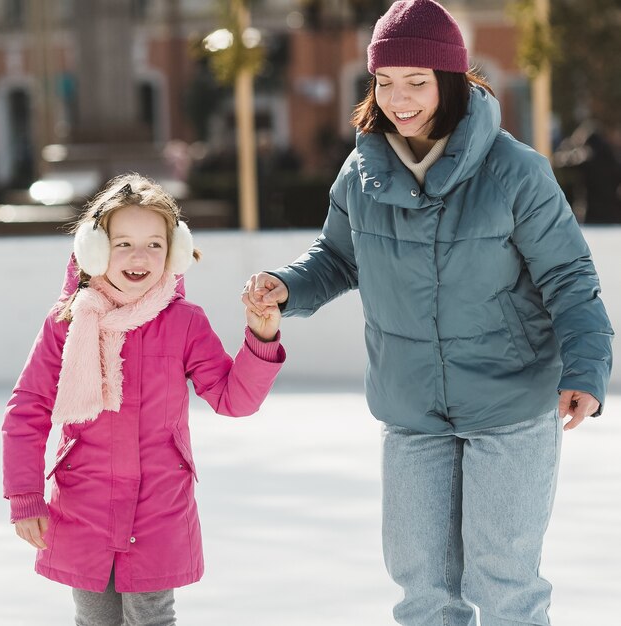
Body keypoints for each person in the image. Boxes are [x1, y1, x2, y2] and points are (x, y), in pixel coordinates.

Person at [243, 1, 614, 624]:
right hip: (412, 408)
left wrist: (585, 369)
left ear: (453, 82)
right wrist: (286, 286)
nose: (399, 98)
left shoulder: (515, 172)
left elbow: (569, 277)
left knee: (504, 586)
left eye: (416, 82)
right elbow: (336, 259)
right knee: (422, 593)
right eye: (385, 82)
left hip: (509, 404)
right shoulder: (363, 174)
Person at [2, 173, 284, 625]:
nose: (139, 257)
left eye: (155, 244)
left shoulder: (185, 322)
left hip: (159, 505)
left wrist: (261, 337)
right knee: (94, 618)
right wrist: (25, 497)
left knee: (151, 617)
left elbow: (234, 399)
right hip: (82, 502)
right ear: (94, 249)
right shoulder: (68, 322)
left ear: (174, 251)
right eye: (123, 243)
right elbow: (28, 408)